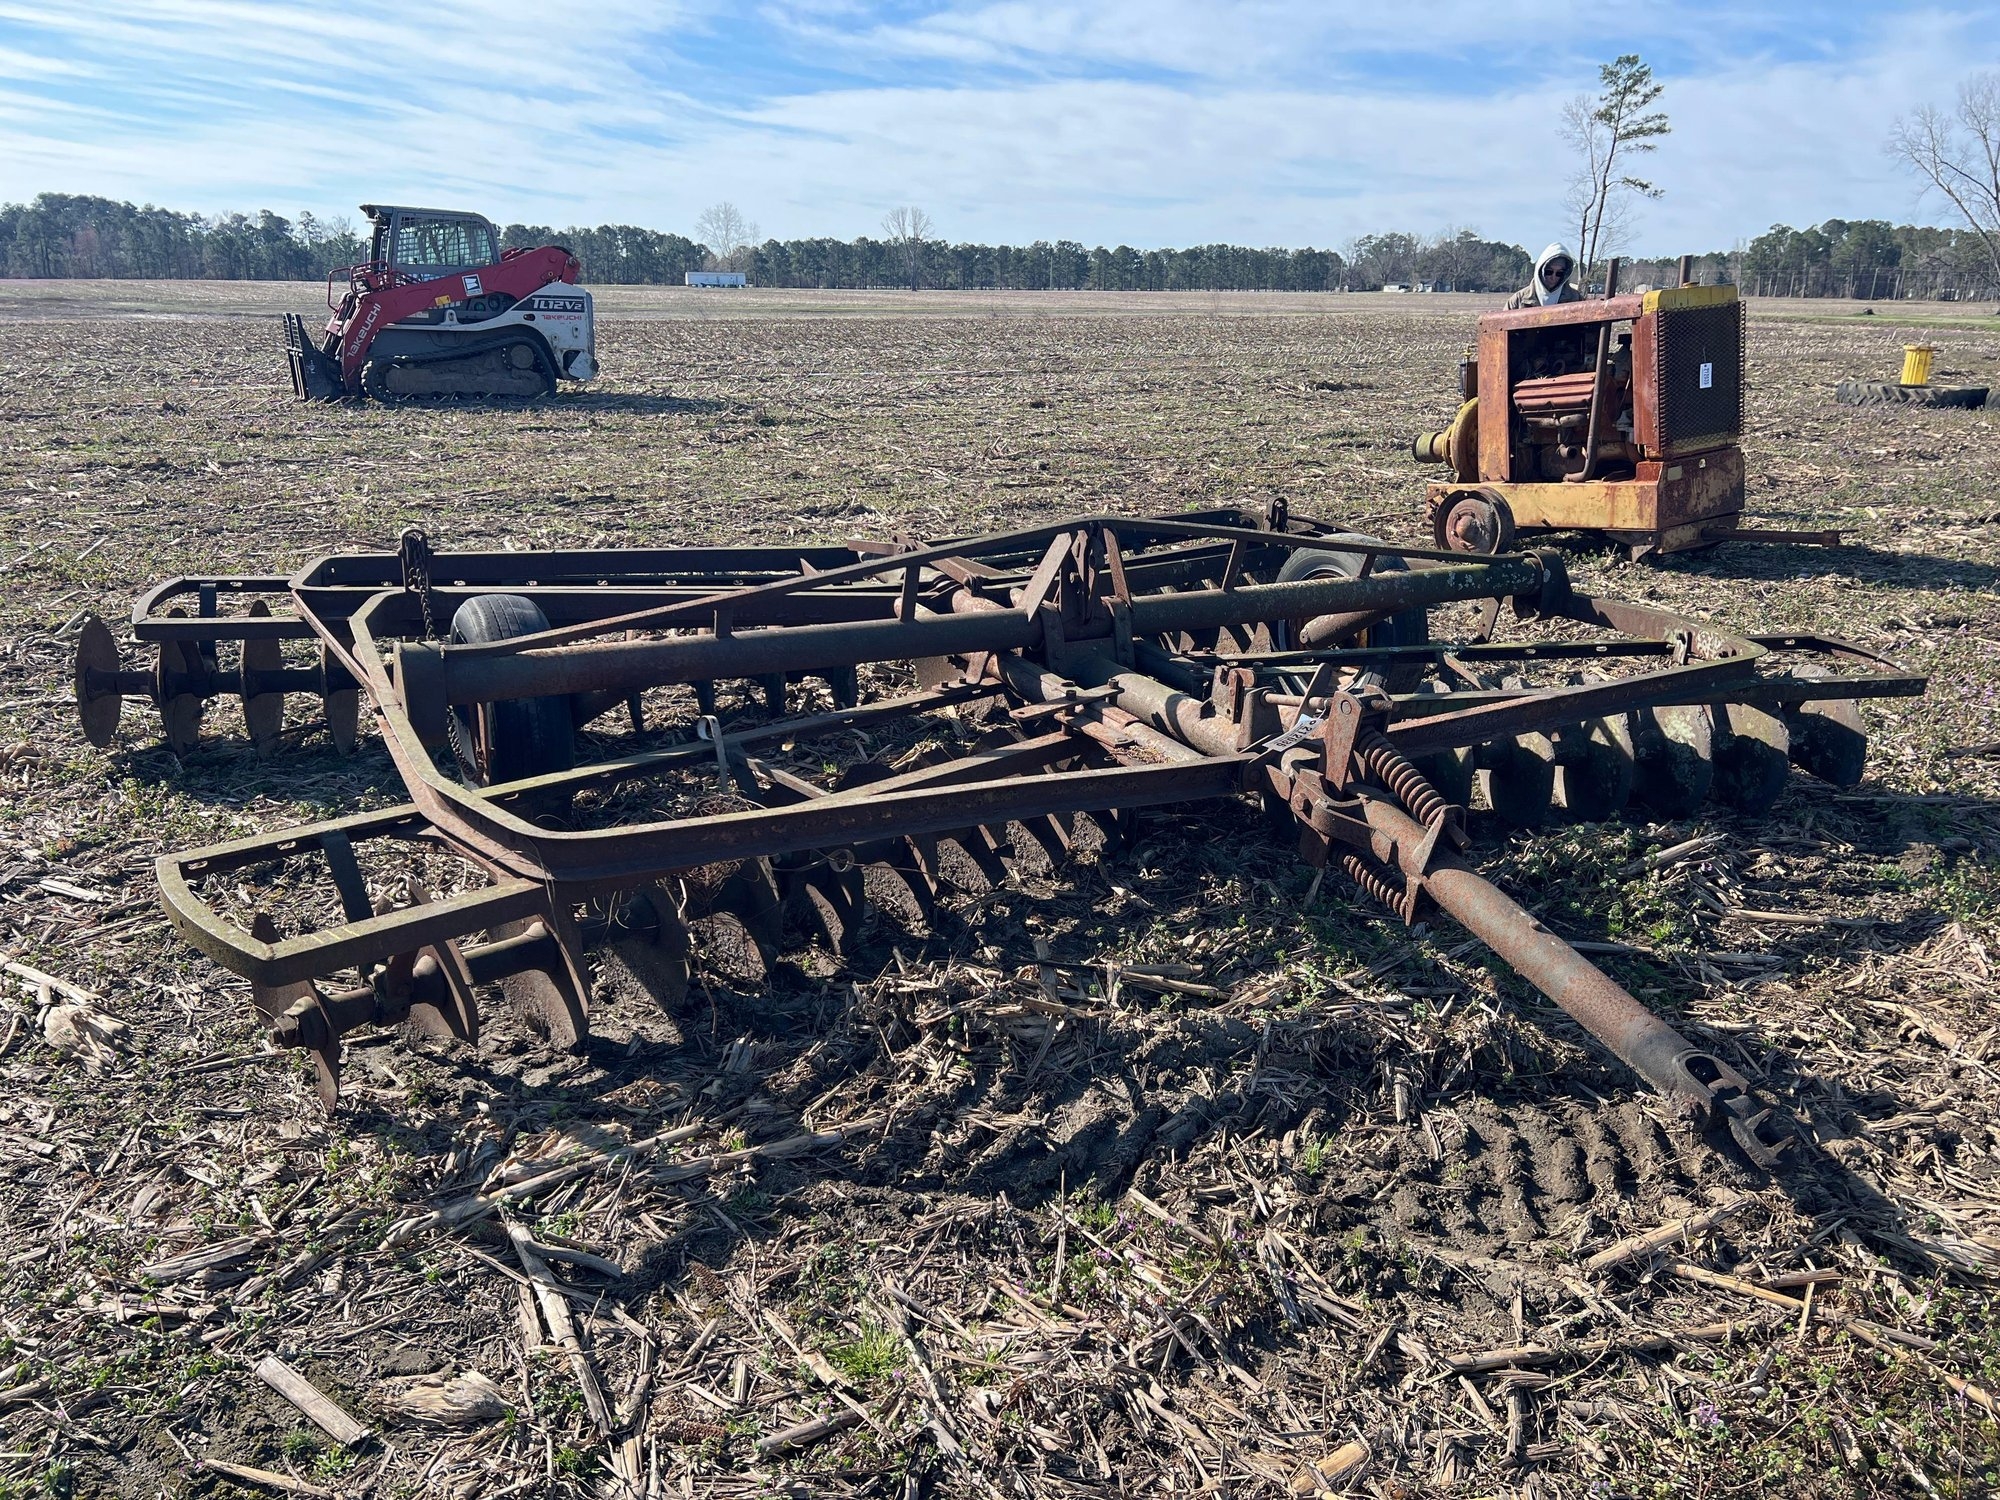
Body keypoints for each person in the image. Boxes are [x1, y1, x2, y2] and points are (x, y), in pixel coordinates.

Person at [1507, 244, 1582, 308]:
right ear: (1540, 270)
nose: (1553, 277)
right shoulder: (1518, 300)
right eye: (1549, 272)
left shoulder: (1576, 299)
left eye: (1559, 273)